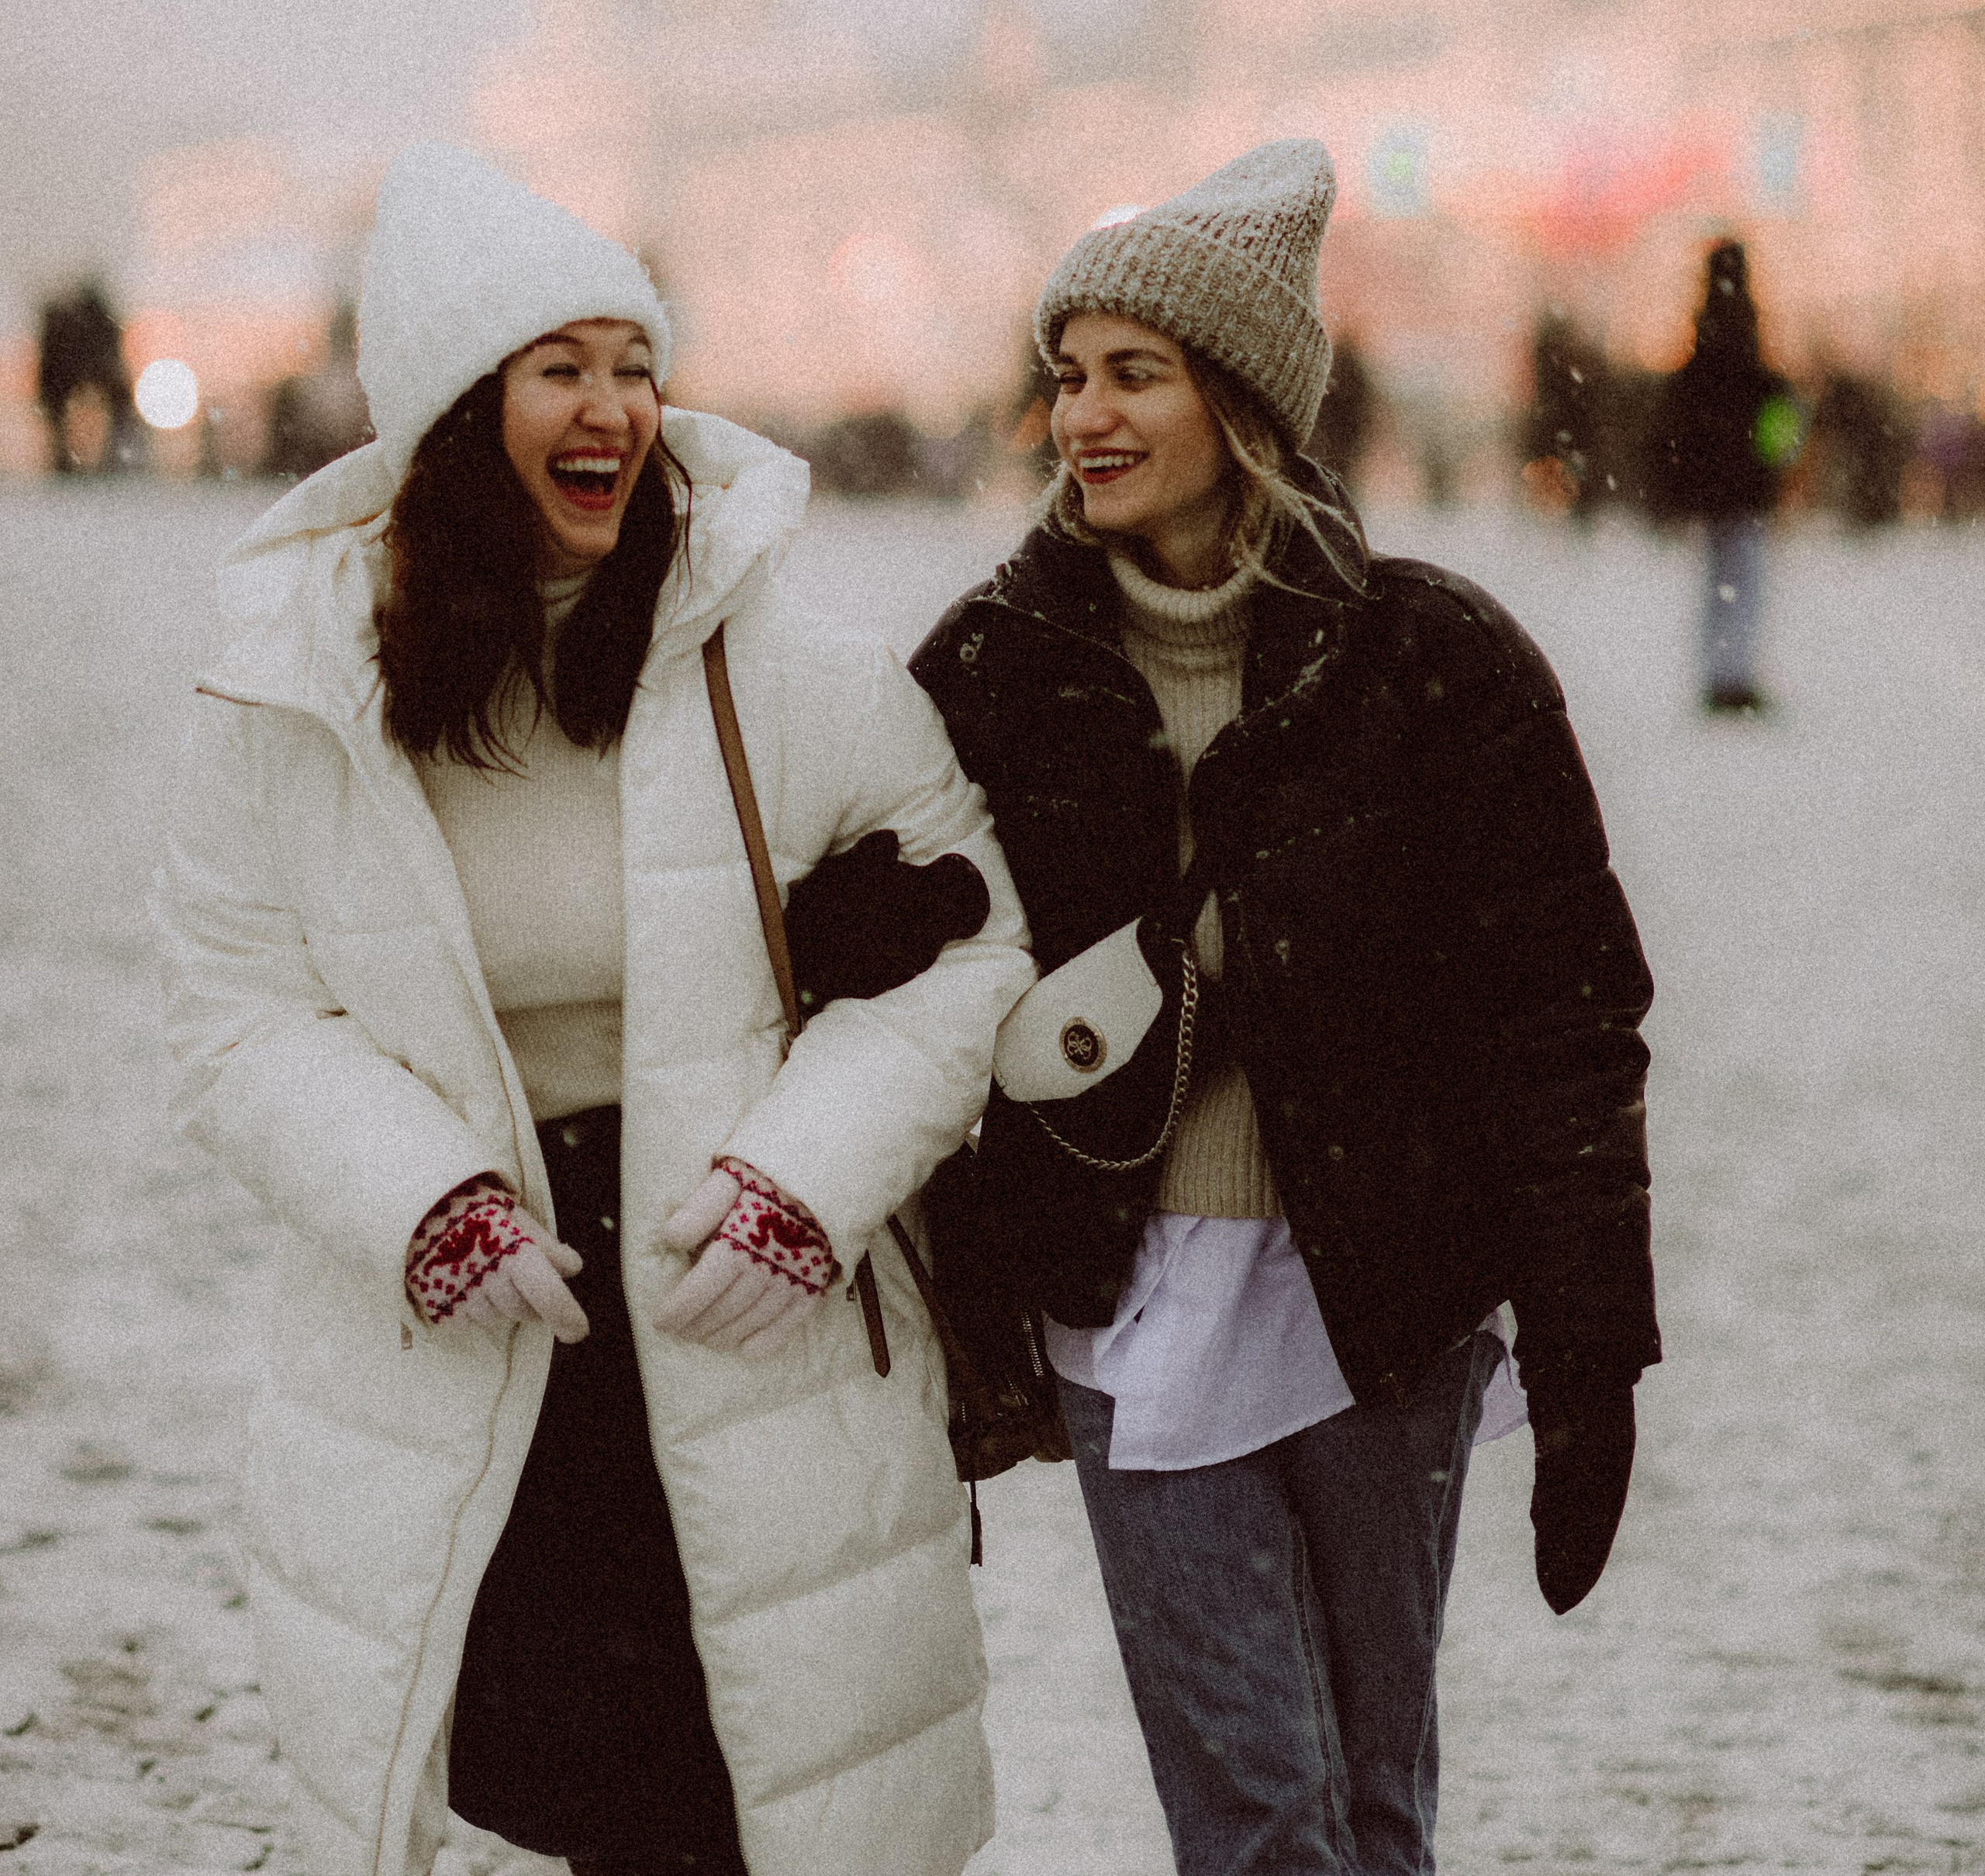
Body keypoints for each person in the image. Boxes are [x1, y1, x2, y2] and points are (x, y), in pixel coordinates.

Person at [151, 144, 1033, 1876]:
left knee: (739, 1782)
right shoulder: (295, 696)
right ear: (455, 412)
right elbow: (236, 1011)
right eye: (562, 368)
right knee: (551, 1764)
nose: (614, 410)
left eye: (637, 367)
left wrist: (804, 1184)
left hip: (738, 1301)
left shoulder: (783, 666)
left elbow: (971, 948)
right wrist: (426, 1203)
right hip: (482, 1324)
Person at [912, 142, 1659, 1876]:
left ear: (1239, 402)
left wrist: (1586, 1345)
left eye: (1133, 374)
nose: (1083, 417)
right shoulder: (992, 670)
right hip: (1125, 1304)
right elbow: (896, 982)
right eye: (1067, 375)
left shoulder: (1432, 661)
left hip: (1382, 1297)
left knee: (1373, 1808)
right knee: (1262, 1817)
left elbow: (1562, 1016)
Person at [1643, 238, 1799, 712]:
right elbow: (1778, 425)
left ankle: (1719, 675)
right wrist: (1772, 463)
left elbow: (1675, 423)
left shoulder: (1702, 346)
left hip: (1713, 486)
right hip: (1747, 487)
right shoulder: (1751, 345)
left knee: (1718, 582)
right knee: (1742, 582)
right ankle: (1735, 675)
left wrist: (1677, 482)